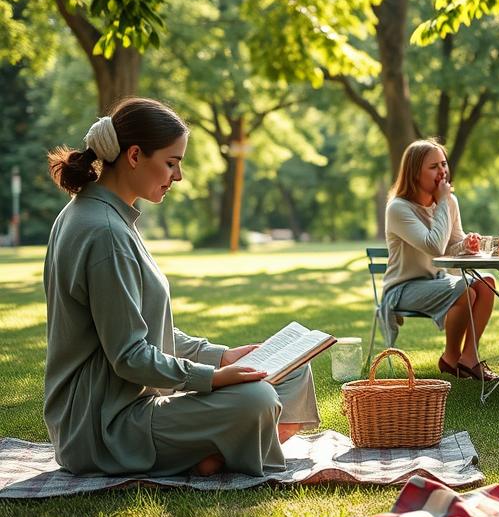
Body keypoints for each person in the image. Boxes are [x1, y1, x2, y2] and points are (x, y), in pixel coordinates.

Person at [44, 98, 319, 477]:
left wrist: (221, 357)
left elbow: (143, 329)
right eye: (171, 163)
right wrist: (210, 378)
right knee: (256, 399)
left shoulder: (106, 216)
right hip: (103, 427)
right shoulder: (105, 232)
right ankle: (215, 453)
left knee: (293, 372)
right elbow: (130, 356)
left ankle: (214, 453)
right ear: (135, 156)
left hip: (134, 405)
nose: (178, 176)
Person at [382, 139, 498, 381]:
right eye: (433, 166)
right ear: (415, 173)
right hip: (402, 288)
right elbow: (434, 246)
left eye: (443, 164)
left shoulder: (449, 203)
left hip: (437, 280)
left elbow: (450, 245)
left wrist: (466, 244)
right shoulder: (398, 209)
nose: (442, 171)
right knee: (466, 291)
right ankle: (451, 358)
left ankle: (469, 357)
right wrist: (443, 201)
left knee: (486, 283)